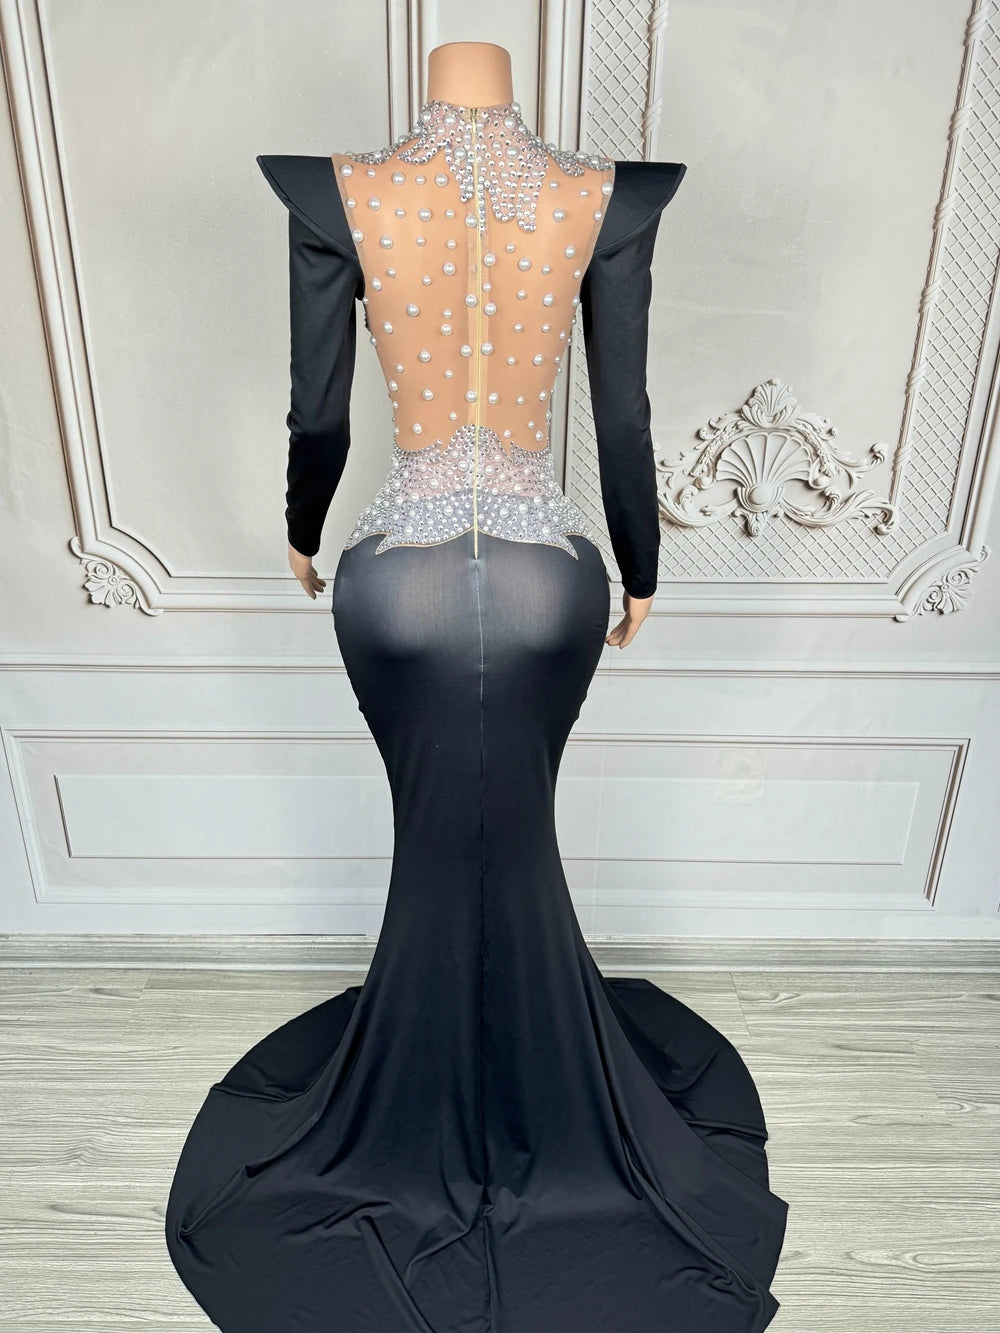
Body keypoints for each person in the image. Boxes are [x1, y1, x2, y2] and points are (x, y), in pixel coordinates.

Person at [165, 41, 788, 1332]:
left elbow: (320, 411)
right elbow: (623, 414)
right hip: (547, 581)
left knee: (439, 840)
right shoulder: (589, 194)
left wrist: (300, 528)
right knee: (516, 834)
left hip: (396, 585)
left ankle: (423, 1079)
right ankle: (542, 1080)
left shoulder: (350, 190)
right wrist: (642, 566)